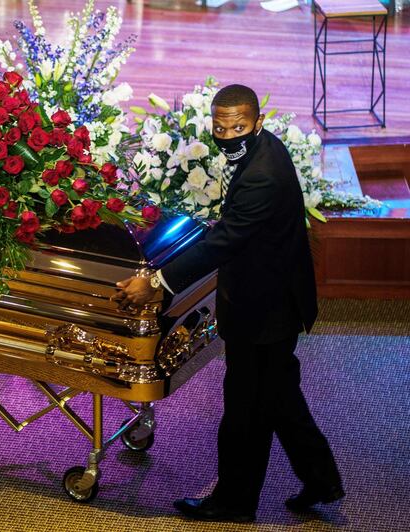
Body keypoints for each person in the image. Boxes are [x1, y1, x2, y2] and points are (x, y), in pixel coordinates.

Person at [113, 85, 343, 523]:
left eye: (238, 126)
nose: (228, 134)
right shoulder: (264, 149)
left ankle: (234, 502)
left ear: (257, 123)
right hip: (274, 296)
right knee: (277, 394)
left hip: (264, 308)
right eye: (220, 127)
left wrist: (157, 281)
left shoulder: (261, 174)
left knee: (244, 407)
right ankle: (321, 478)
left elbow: (226, 239)